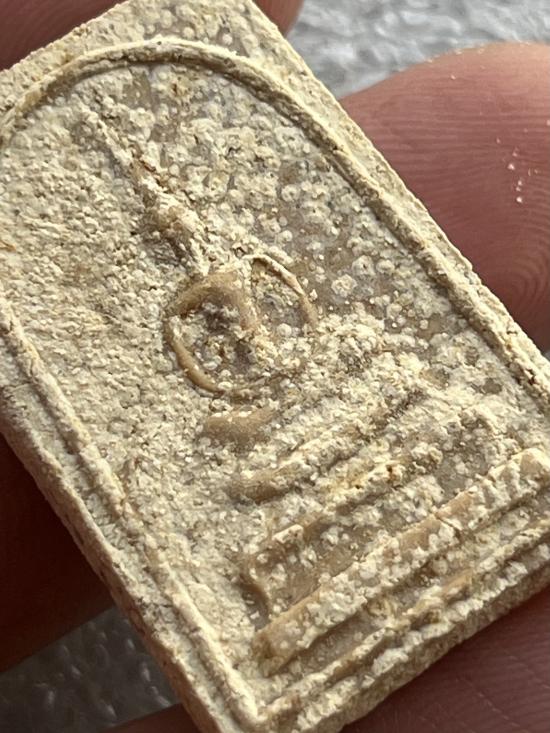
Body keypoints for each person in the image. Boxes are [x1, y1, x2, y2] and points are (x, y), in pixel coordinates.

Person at [0, 1, 548, 731]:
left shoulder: (256, 279)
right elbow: (203, 360)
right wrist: (236, 373)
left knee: (368, 353)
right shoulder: (194, 310)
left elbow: (299, 310)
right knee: (239, 448)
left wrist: (299, 350)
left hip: (320, 381)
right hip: (262, 419)